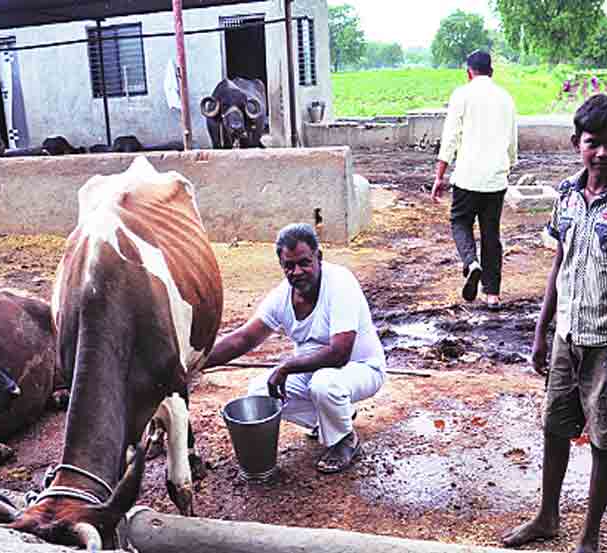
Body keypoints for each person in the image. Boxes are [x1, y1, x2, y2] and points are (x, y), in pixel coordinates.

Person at [502, 94, 607, 553]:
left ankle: (589, 538)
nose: (603, 153)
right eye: (593, 143)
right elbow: (560, 262)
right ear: (577, 142)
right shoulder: (567, 194)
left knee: (605, 439)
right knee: (555, 425)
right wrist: (541, 330)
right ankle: (546, 517)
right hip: (566, 336)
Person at [204, 223, 386, 473]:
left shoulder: (340, 282)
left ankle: (345, 441)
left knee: (324, 384)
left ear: (319, 257)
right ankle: (331, 419)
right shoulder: (283, 296)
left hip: (361, 369)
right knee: (259, 391)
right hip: (317, 373)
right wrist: (195, 362)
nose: (297, 271)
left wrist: (287, 366)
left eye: (304, 262)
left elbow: (340, 353)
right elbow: (244, 338)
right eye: (289, 266)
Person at [431, 50, 518, 309]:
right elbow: (512, 141)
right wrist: (507, 167)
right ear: (491, 71)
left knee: (460, 221)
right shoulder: (506, 98)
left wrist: (439, 176)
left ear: (469, 72)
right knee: (491, 233)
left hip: (467, 177)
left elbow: (450, 138)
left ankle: (471, 263)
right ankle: (492, 294)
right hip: (495, 179)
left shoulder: (462, 95)